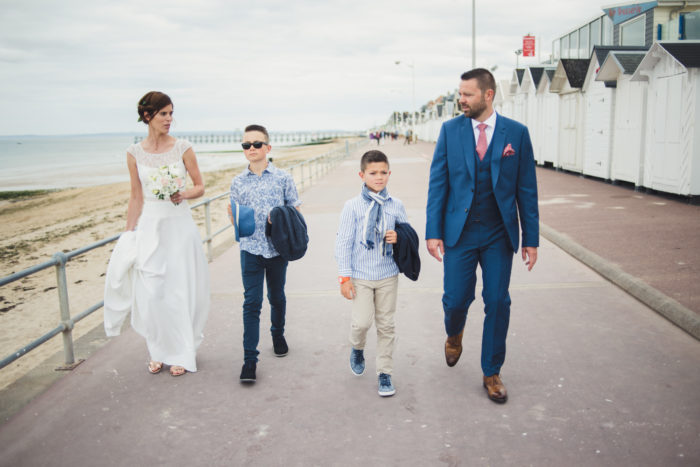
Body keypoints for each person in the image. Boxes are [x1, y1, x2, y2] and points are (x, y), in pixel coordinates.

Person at [425, 68, 539, 403]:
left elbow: (527, 189)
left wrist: (531, 238)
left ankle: (492, 371)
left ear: (488, 95)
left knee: (498, 301)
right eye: (460, 93)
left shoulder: (516, 134)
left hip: (497, 233)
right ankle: (454, 334)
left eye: (467, 94)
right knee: (455, 300)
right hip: (459, 233)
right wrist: (433, 232)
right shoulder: (450, 131)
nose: (461, 100)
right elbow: (438, 184)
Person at [104, 91, 210, 377]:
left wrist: (183, 193)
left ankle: (182, 352)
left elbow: (200, 186)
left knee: (179, 290)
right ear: (147, 115)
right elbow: (135, 196)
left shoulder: (183, 148)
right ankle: (158, 351)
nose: (169, 119)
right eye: (163, 113)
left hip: (179, 226)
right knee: (152, 292)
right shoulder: (133, 153)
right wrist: (128, 234)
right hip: (150, 228)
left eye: (171, 113)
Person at [229, 124, 301, 383]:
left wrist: (280, 218)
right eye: (246, 145)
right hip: (250, 249)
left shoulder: (283, 178)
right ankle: (250, 359)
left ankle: (277, 333)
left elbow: (295, 210)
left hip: (277, 250)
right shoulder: (237, 182)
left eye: (257, 144)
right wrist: (236, 220)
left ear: (268, 148)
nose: (251, 148)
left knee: (277, 297)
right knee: (252, 302)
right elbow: (234, 214)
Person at [335, 150, 409, 397]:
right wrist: (344, 278)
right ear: (362, 175)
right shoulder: (352, 207)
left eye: (383, 172)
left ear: (389, 173)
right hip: (361, 275)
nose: (379, 177)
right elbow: (343, 243)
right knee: (362, 322)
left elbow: (408, 235)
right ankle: (357, 347)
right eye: (373, 173)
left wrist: (398, 237)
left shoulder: (396, 205)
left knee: (386, 325)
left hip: (388, 274)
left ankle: (384, 372)